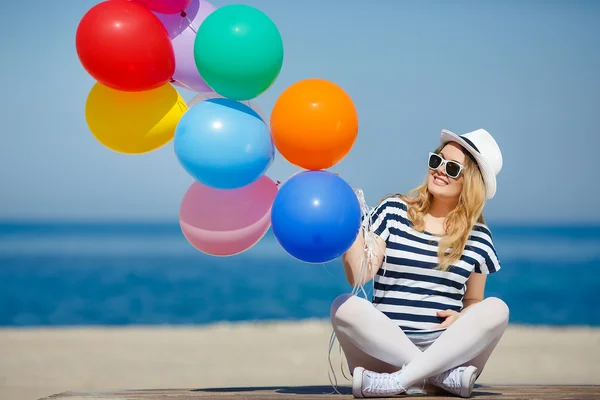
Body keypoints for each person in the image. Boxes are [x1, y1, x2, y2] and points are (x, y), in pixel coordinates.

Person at [330, 128, 509, 398]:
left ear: (471, 182)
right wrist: (349, 219)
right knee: (343, 306)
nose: (439, 170)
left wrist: (463, 316)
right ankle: (432, 378)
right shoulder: (393, 211)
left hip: (445, 350)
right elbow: (359, 276)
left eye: (452, 168)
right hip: (384, 349)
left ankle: (403, 381)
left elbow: (474, 301)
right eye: (437, 161)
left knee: (497, 308)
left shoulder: (479, 237)